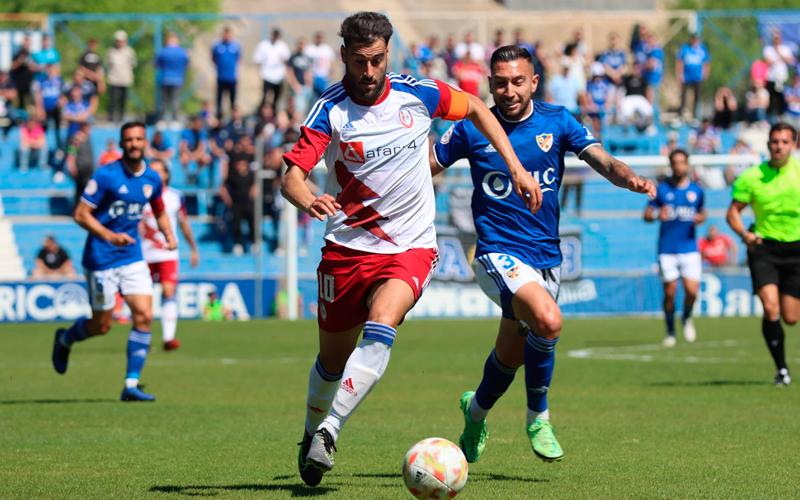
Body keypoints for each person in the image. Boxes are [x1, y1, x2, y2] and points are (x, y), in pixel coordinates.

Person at [281, 12, 541, 487]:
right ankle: (311, 431)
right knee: (331, 363)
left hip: (410, 247)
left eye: (377, 59)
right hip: (346, 249)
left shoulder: (418, 93)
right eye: (360, 61)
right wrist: (308, 197)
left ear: (388, 54)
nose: (369, 71)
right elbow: (291, 176)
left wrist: (518, 168)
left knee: (382, 327)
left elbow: (480, 111)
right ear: (344, 56)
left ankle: (331, 430)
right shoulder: (331, 111)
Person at [432, 44, 655, 466]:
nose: (509, 90)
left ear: (534, 81)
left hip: (544, 257)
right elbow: (427, 164)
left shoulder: (557, 120)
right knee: (549, 321)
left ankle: (475, 412)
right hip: (495, 252)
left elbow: (603, 161)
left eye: (518, 81)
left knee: (510, 356)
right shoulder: (472, 126)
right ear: (489, 84)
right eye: (500, 82)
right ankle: (538, 418)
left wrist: (631, 178)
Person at [51, 122, 177, 402]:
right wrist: (110, 236)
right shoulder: (106, 176)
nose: (134, 144)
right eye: (129, 140)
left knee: (144, 315)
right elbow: (81, 214)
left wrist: (168, 234)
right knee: (102, 325)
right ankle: (65, 339)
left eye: (138, 139)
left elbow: (158, 208)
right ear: (122, 144)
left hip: (131, 256)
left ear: (145, 143)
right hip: (101, 258)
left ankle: (131, 384)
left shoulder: (152, 178)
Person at [726, 122, 800, 386]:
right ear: (768, 144)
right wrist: (745, 235)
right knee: (771, 308)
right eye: (775, 141)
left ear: (794, 144)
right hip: (764, 247)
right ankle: (781, 370)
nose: (779, 146)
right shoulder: (752, 176)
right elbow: (733, 212)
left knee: (791, 317)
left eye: (784, 142)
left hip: (796, 249)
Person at [644, 149, 706, 347]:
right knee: (670, 293)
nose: (679, 166)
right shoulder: (661, 189)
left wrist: (700, 218)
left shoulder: (697, 190)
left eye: (682, 162)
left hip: (689, 248)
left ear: (687, 164)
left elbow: (703, 212)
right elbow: (646, 215)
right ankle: (670, 331)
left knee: (692, 292)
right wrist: (655, 215)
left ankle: (686, 317)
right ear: (670, 165)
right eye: (675, 163)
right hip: (667, 249)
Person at [140, 159, 199, 351]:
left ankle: (168, 338)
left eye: (160, 171)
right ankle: (142, 337)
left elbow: (183, 224)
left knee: (168, 291)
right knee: (142, 298)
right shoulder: (141, 195)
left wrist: (193, 248)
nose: (157, 175)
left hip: (167, 253)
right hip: (144, 254)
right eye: (153, 171)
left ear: (167, 174)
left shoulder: (175, 196)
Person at [219, 155, 255, 255]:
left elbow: (257, 186)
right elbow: (223, 188)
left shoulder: (252, 176)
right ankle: (238, 244)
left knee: (252, 222)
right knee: (236, 224)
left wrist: (255, 191)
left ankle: (253, 243)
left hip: (248, 204)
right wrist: (227, 199)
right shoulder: (232, 177)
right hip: (236, 204)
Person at [253, 28, 290, 111]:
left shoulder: (282, 46)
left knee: (277, 97)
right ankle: (261, 113)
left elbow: (287, 60)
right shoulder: (264, 45)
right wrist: (259, 72)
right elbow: (257, 59)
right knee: (265, 96)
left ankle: (274, 113)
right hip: (267, 75)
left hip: (279, 76)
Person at [155, 33, 190, 123]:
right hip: (177, 79)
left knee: (164, 101)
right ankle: (175, 120)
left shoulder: (163, 51)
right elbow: (187, 64)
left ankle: (162, 120)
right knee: (175, 100)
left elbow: (157, 64)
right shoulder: (182, 52)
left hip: (165, 79)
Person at [676, 33, 710, 122]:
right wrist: (680, 74)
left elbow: (707, 62)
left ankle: (695, 116)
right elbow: (680, 61)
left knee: (697, 96)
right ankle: (681, 114)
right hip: (686, 76)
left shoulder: (702, 49)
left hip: (697, 77)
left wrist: (705, 73)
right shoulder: (685, 48)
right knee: (683, 95)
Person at [106, 30, 137, 123]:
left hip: (125, 80)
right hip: (114, 79)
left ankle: (121, 118)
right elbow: (108, 64)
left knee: (123, 101)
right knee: (113, 100)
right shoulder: (111, 51)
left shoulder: (130, 52)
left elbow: (133, 64)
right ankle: (111, 118)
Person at [211, 26, 241, 120]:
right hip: (221, 77)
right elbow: (213, 58)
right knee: (219, 99)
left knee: (232, 100)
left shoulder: (235, 46)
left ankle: (233, 118)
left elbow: (238, 59)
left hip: (231, 77)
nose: (227, 36)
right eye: (225, 34)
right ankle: (219, 117)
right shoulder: (217, 46)